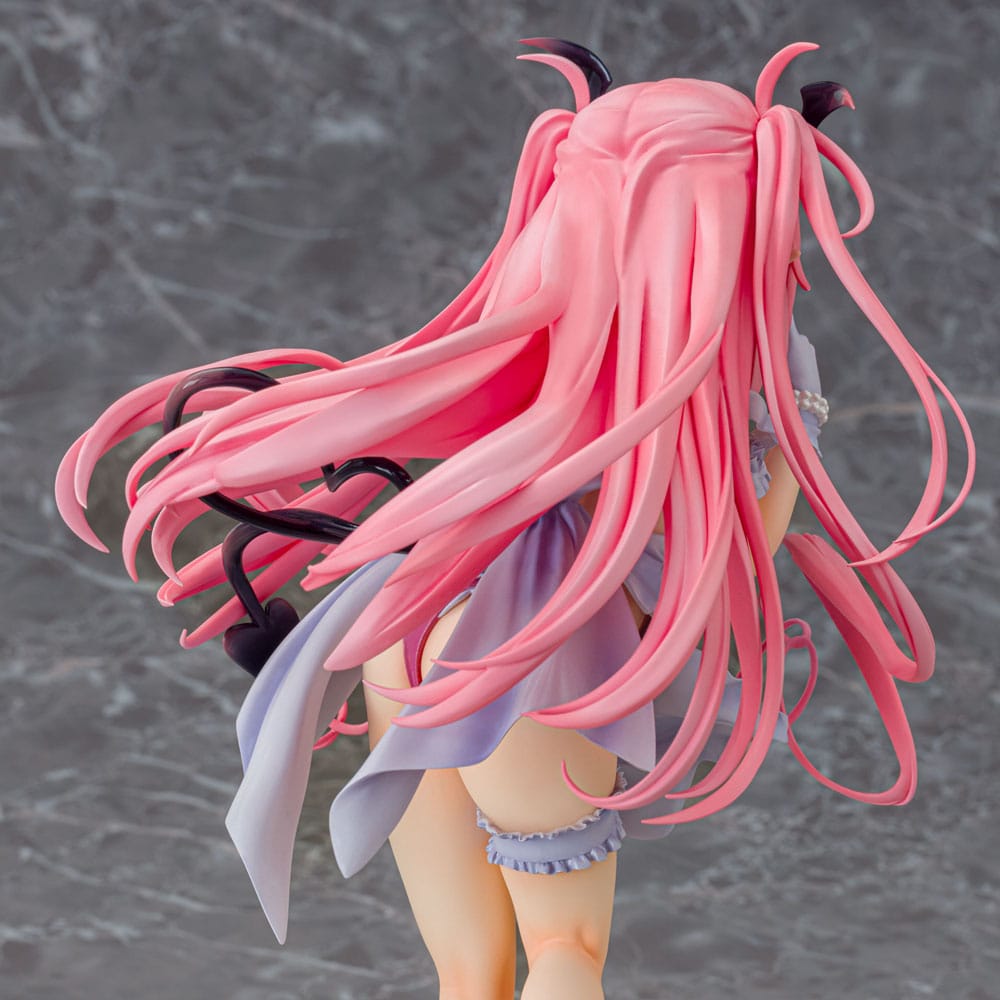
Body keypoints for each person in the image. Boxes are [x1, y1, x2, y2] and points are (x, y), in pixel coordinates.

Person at [56, 39, 974, 1000]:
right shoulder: (752, 383)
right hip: (537, 656)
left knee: (469, 972)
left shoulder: (538, 343)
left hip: (413, 624)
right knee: (566, 950)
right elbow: (743, 549)